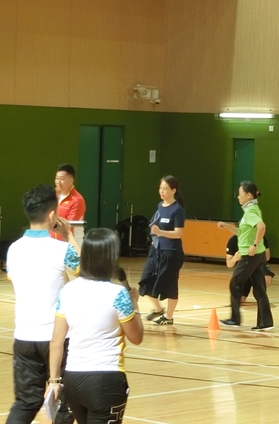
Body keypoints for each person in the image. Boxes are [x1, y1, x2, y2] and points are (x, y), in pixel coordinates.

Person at [47, 228, 144, 424]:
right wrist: (135, 304)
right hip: (105, 380)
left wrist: (54, 380)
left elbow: (57, 340)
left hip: (73, 378)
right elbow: (136, 337)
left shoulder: (67, 291)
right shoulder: (118, 294)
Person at [5, 185, 80, 424]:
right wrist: (69, 236)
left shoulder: (13, 249)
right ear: (52, 215)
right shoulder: (62, 249)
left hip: (24, 336)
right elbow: (87, 274)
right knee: (65, 404)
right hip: (56, 338)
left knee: (25, 403)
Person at [218, 181, 274, 331]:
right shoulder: (252, 209)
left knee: (235, 283)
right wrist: (227, 226)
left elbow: (261, 226)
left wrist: (254, 245)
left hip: (250, 256)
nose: (238, 197)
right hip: (257, 255)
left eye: (240, 194)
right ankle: (265, 322)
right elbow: (242, 233)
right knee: (259, 289)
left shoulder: (251, 211)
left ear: (249, 195)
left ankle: (235, 319)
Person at [138, 176, 185, 326]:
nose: (162, 191)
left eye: (165, 189)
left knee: (170, 284)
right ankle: (158, 309)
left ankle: (169, 317)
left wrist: (160, 233)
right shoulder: (160, 206)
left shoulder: (177, 210)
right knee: (146, 279)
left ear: (173, 190)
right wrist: (155, 237)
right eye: (160, 188)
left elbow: (178, 233)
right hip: (156, 250)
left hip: (171, 252)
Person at [225, 234, 274, 303]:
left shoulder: (260, 236)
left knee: (267, 279)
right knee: (239, 299)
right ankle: (246, 287)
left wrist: (256, 249)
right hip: (244, 268)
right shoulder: (233, 240)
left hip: (258, 265)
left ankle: (257, 290)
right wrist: (235, 258)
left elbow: (267, 257)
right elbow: (229, 264)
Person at [52, 163, 86, 246]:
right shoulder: (52, 195)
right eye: (57, 178)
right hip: (53, 243)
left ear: (71, 180)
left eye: (62, 179)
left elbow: (67, 227)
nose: (58, 182)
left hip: (71, 244)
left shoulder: (77, 200)